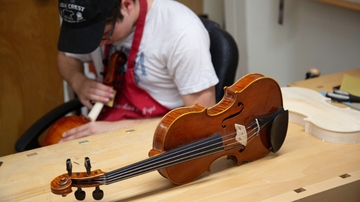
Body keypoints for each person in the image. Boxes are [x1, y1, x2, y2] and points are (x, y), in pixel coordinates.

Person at [57, 0, 219, 143]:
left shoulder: (182, 31)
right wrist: (79, 81)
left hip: (160, 140)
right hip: (102, 130)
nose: (97, 46)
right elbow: (65, 56)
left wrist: (116, 129)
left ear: (126, 4)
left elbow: (201, 120)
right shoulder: (96, 19)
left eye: (105, 35)